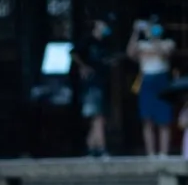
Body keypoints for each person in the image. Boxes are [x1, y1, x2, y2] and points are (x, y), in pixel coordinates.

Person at [127, 16, 177, 156]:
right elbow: (130, 53)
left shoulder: (168, 42)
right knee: (147, 120)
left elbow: (164, 54)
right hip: (146, 81)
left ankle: (163, 153)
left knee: (164, 120)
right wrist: (136, 32)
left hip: (162, 81)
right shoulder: (142, 45)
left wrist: (153, 37)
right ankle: (150, 153)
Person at [71, 16, 115, 157]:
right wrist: (83, 67)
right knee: (98, 116)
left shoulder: (105, 43)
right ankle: (101, 149)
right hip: (91, 84)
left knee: (99, 117)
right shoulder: (87, 41)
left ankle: (91, 148)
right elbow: (73, 53)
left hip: (102, 83)